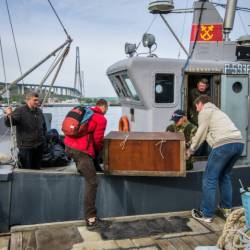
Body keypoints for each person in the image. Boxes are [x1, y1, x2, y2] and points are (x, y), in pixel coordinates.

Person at [186, 95, 244, 223]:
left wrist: (190, 150)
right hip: (239, 143)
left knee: (209, 179)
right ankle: (226, 209)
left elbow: (201, 133)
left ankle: (206, 214)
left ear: (200, 103)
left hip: (224, 145)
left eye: (196, 107)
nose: (196, 110)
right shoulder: (218, 112)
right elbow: (208, 134)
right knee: (225, 176)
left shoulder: (205, 112)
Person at [64, 99, 109, 230]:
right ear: (104, 107)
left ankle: (81, 168)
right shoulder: (101, 118)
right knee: (92, 181)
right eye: (107, 108)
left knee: (86, 169)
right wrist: (98, 153)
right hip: (80, 151)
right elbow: (98, 140)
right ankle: (91, 219)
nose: (107, 111)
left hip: (68, 146)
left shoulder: (87, 112)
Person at [4, 92, 47, 169]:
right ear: (28, 100)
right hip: (26, 146)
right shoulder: (20, 111)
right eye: (35, 100)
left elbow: (44, 126)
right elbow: (9, 123)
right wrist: (8, 115)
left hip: (39, 145)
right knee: (27, 169)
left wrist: (44, 139)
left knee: (37, 168)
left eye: (38, 100)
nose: (37, 102)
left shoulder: (39, 111)